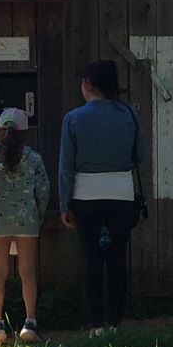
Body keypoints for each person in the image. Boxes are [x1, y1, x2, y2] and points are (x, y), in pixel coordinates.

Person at [58, 59, 143, 330]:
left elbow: (66, 166)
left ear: (87, 85)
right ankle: (116, 321)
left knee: (92, 260)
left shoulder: (73, 119)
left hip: (85, 195)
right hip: (122, 194)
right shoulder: (129, 115)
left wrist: (64, 203)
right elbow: (139, 155)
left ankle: (96, 324)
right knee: (117, 260)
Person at [0, 107, 52, 346]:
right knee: (27, 271)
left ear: (0, 130)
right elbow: (43, 190)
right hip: (26, 219)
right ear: (25, 132)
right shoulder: (33, 158)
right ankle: (30, 321)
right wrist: (38, 215)